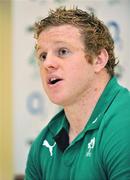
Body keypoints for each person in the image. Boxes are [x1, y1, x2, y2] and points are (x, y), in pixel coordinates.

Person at [25, 7, 130, 180]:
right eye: (43, 56)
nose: (47, 63)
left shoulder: (125, 124)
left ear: (98, 59)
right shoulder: (42, 144)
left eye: (63, 51)